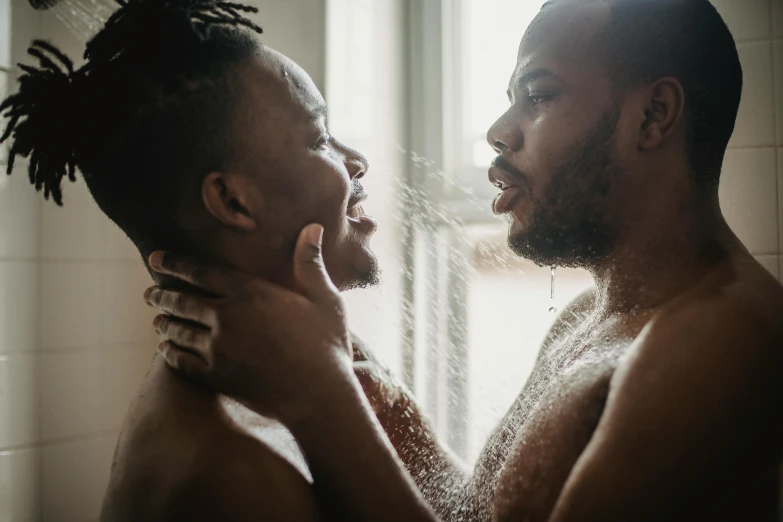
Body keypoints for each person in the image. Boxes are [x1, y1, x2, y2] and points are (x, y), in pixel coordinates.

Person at [145, 0, 783, 521]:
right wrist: (371, 386)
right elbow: (477, 512)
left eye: (539, 93)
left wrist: (321, 396)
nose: (501, 130)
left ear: (653, 115)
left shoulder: (721, 340)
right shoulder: (590, 319)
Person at [0, 0, 381, 520]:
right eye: (319, 138)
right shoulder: (234, 481)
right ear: (232, 202)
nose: (356, 161)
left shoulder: (262, 391)